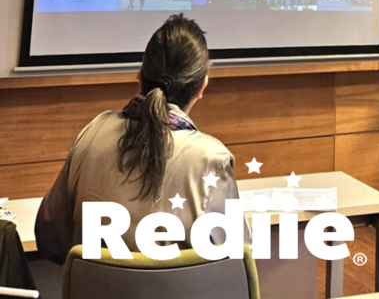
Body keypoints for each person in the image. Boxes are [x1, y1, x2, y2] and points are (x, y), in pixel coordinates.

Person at [35, 14, 249, 263]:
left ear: (139, 77)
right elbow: (238, 263)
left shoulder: (93, 132)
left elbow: (49, 237)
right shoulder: (211, 159)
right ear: (202, 86)